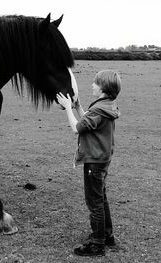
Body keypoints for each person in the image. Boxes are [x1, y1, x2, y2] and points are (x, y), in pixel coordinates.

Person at [56, 70, 121, 257]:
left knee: (94, 203)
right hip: (102, 160)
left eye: (95, 83)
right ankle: (107, 236)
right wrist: (78, 106)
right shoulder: (106, 106)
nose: (92, 85)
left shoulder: (99, 109)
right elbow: (89, 121)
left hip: (94, 162)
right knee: (101, 199)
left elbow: (77, 128)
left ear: (103, 88)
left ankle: (97, 244)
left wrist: (68, 108)